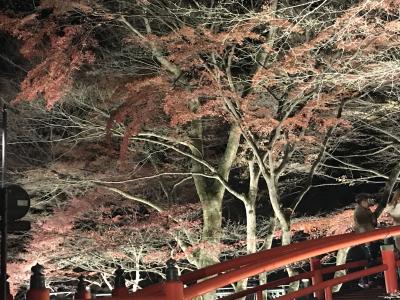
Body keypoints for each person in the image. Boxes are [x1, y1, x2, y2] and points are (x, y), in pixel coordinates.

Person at [353, 193, 377, 288]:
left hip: (370, 238)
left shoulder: (365, 210)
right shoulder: (360, 211)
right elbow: (363, 227)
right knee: (370, 259)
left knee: (372, 259)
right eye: (366, 200)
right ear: (362, 201)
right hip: (367, 240)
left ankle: (368, 279)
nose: (368, 202)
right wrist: (367, 242)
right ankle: (365, 279)